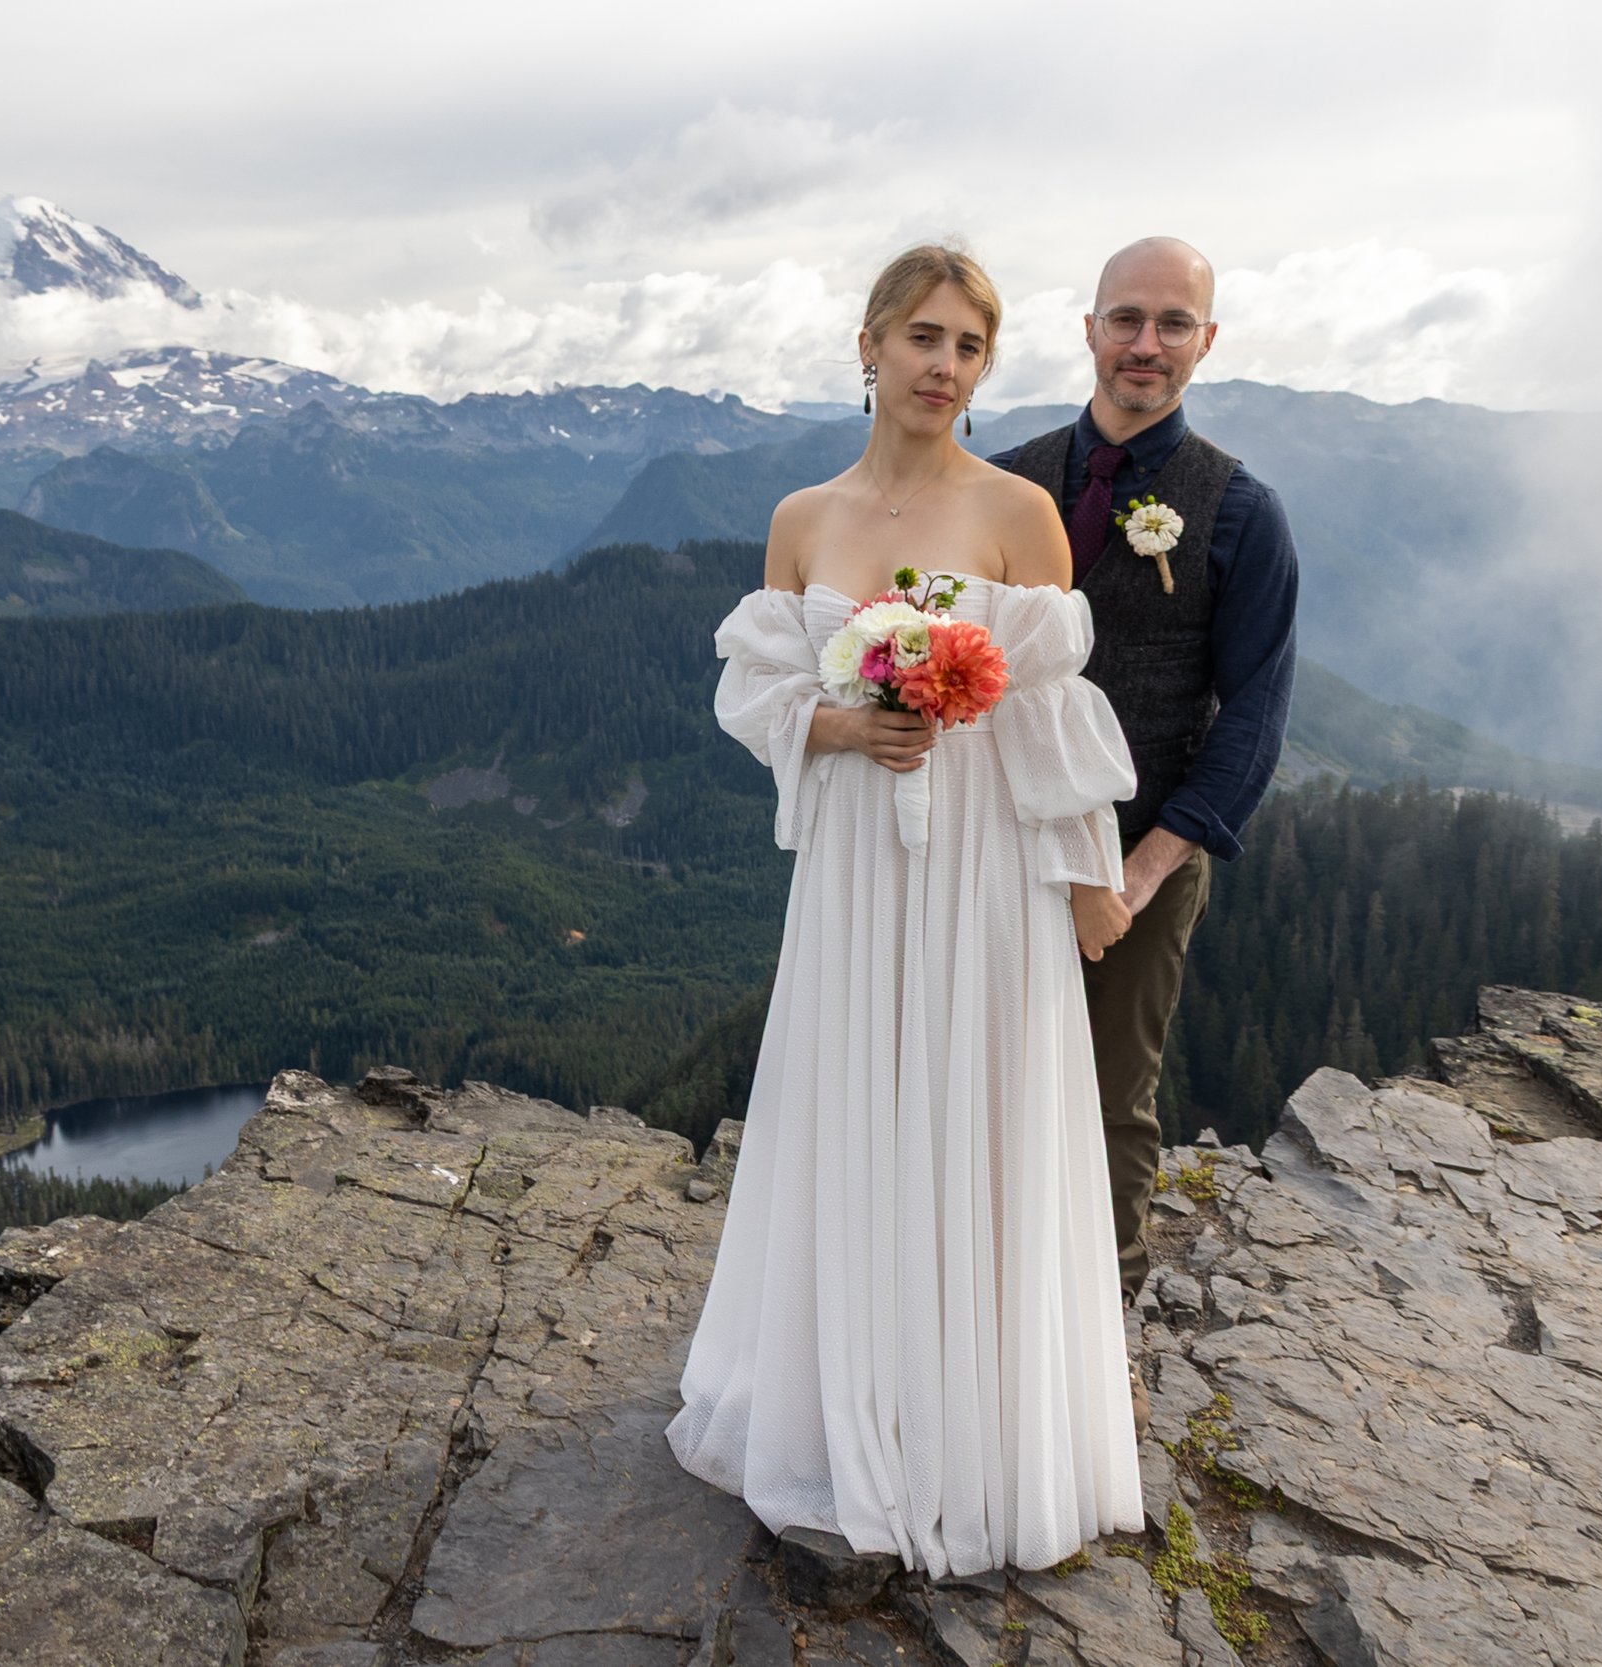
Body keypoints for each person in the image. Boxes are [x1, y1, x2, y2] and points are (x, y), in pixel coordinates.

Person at [664, 244, 1144, 1578]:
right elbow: (755, 694)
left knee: (971, 1109)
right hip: (861, 865)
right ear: (867, 343)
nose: (943, 366)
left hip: (984, 862)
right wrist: (839, 719)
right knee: (854, 1105)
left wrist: (1089, 874)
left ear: (986, 369)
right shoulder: (803, 519)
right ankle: (839, 1404)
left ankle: (967, 1435)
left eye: (969, 347)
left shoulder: (1019, 518)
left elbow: (1054, 716)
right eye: (922, 337)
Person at [987, 240, 1299, 1345]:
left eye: (1174, 324)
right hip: (996, 839)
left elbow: (1254, 716)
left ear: (1205, 343)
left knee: (1109, 1096)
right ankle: (978, 1306)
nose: (1145, 344)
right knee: (977, 1072)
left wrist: (1139, 868)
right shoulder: (1007, 479)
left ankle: (1094, 1328)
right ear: (1086, 329)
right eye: (1126, 318)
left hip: (1139, 855)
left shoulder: (1238, 511)